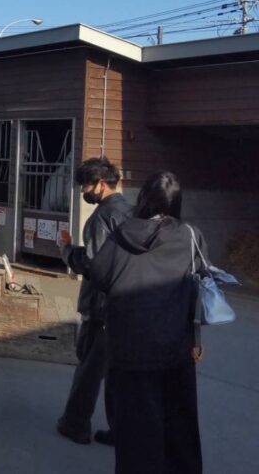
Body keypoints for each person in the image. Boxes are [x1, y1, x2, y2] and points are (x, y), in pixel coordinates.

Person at [63, 171, 205, 474]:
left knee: (137, 428)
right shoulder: (190, 235)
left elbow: (100, 275)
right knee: (178, 423)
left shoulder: (123, 234)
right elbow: (201, 280)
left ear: (143, 199)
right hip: (177, 348)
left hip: (130, 347)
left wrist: (72, 255)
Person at [56, 157, 133, 447]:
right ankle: (120, 428)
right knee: (118, 373)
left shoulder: (101, 217)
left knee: (89, 369)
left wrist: (67, 251)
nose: (82, 191)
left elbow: (93, 264)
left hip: (101, 306)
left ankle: (75, 424)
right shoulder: (132, 211)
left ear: (101, 184)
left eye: (85, 185)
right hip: (127, 305)